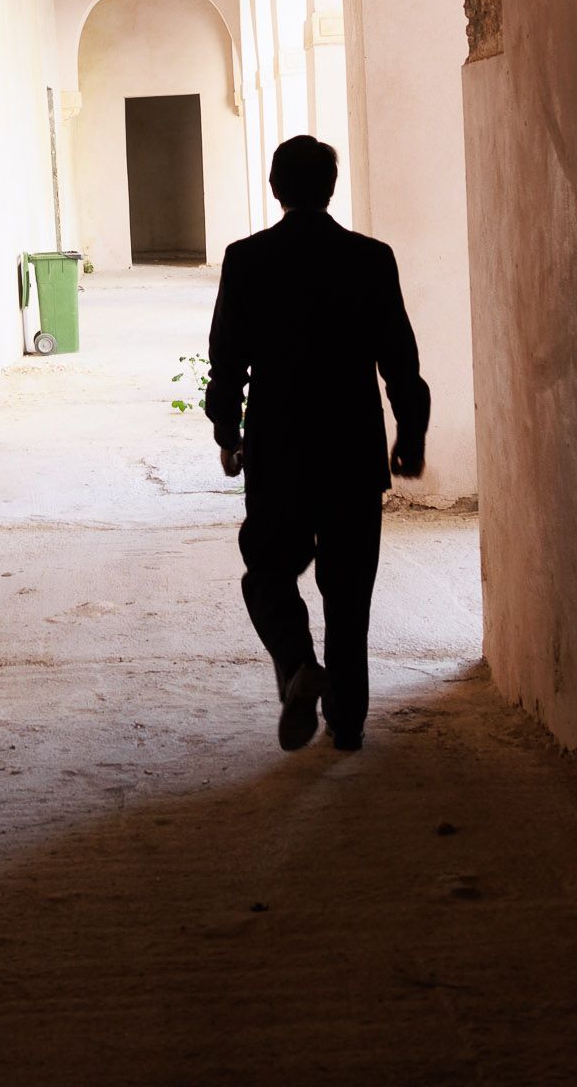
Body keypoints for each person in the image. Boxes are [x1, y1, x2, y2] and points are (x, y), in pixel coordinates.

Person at [204, 135, 429, 751]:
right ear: (332, 188)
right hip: (353, 451)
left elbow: (227, 361)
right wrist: (409, 432)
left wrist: (228, 431)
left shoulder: (247, 260)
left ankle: (300, 664)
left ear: (276, 189)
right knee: (349, 589)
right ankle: (348, 725)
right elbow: (399, 360)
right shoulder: (370, 258)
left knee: (268, 573)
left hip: (279, 449)